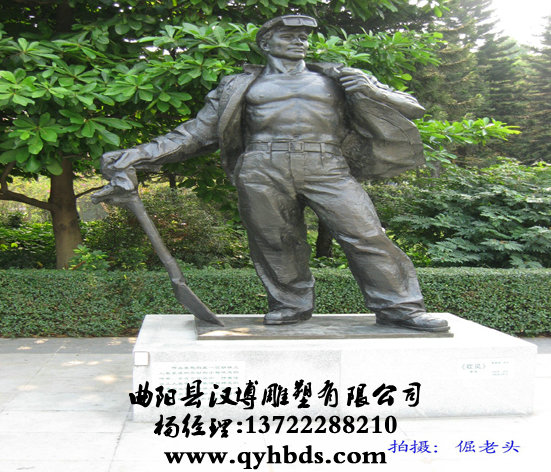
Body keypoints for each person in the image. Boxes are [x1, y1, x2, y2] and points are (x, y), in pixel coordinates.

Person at [94, 15, 449, 332]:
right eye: (288, 36)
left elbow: (412, 108)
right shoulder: (238, 86)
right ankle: (290, 304)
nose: (299, 41)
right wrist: (138, 154)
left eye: (303, 36)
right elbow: (196, 134)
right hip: (262, 166)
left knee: (366, 234)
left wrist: (371, 91)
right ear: (265, 43)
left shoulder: (337, 78)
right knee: (275, 242)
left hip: (326, 164)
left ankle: (401, 309)